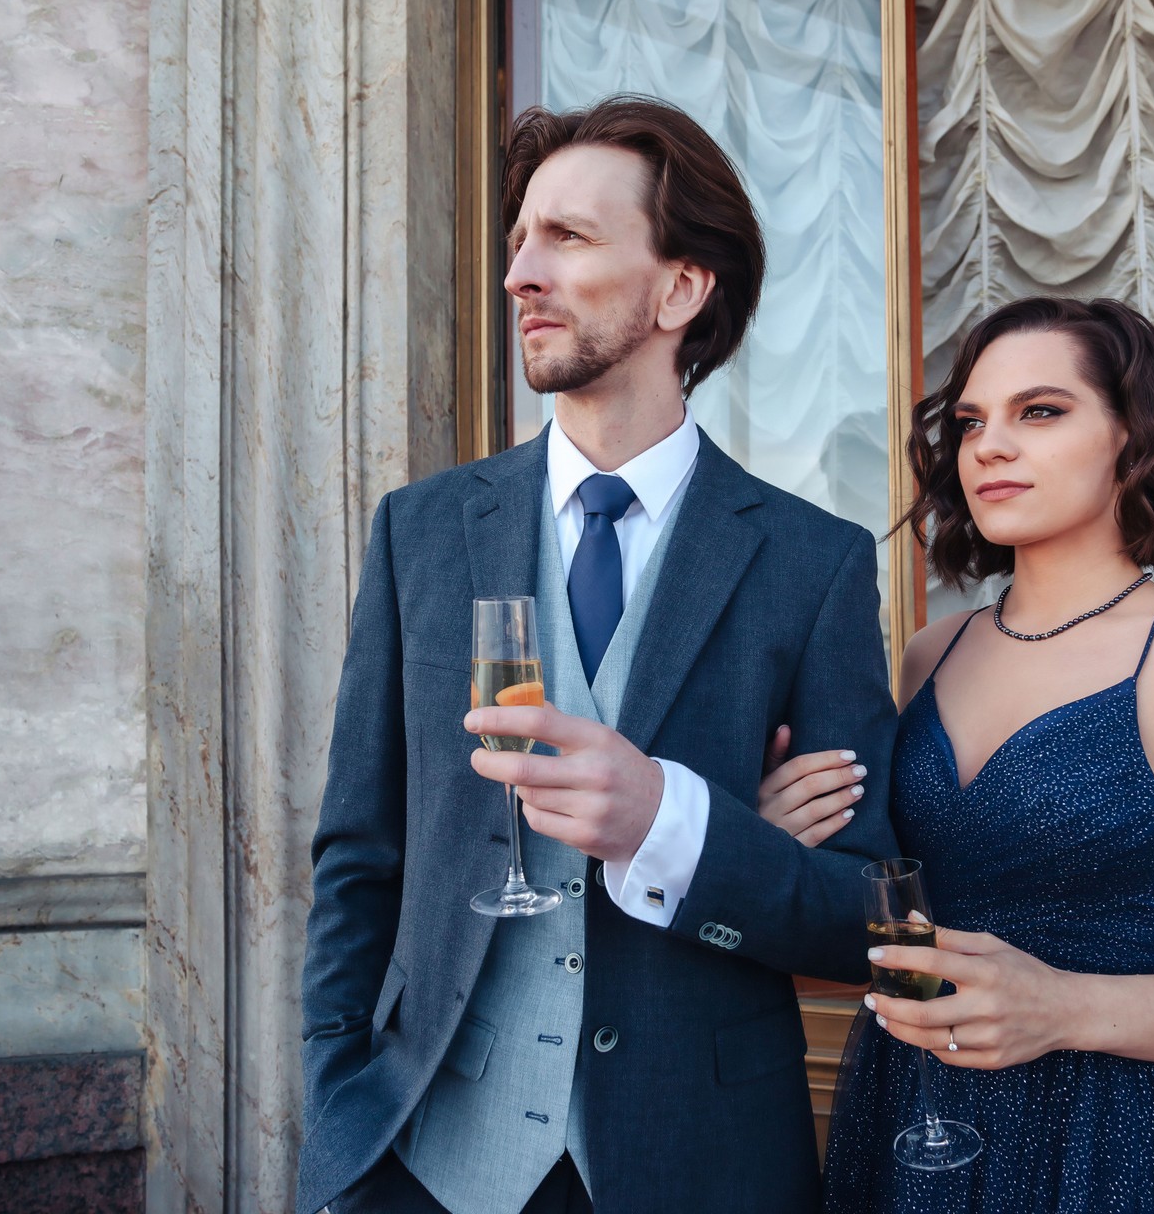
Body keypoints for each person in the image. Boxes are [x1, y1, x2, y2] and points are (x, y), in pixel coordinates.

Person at [297, 94, 901, 1214]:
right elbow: (358, 852)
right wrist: (339, 1116)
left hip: (701, 1160)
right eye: (521, 238)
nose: (522, 271)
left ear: (681, 288)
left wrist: (675, 824)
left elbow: (866, 914)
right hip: (431, 1157)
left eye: (567, 238)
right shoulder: (421, 531)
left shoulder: (811, 563)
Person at [758, 296, 1154, 1210]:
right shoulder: (931, 653)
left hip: (1129, 1144)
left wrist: (1070, 1007)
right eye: (972, 421)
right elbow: (889, 918)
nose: (988, 446)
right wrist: (785, 836)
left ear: (1133, 438)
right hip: (918, 1124)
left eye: (1040, 412)